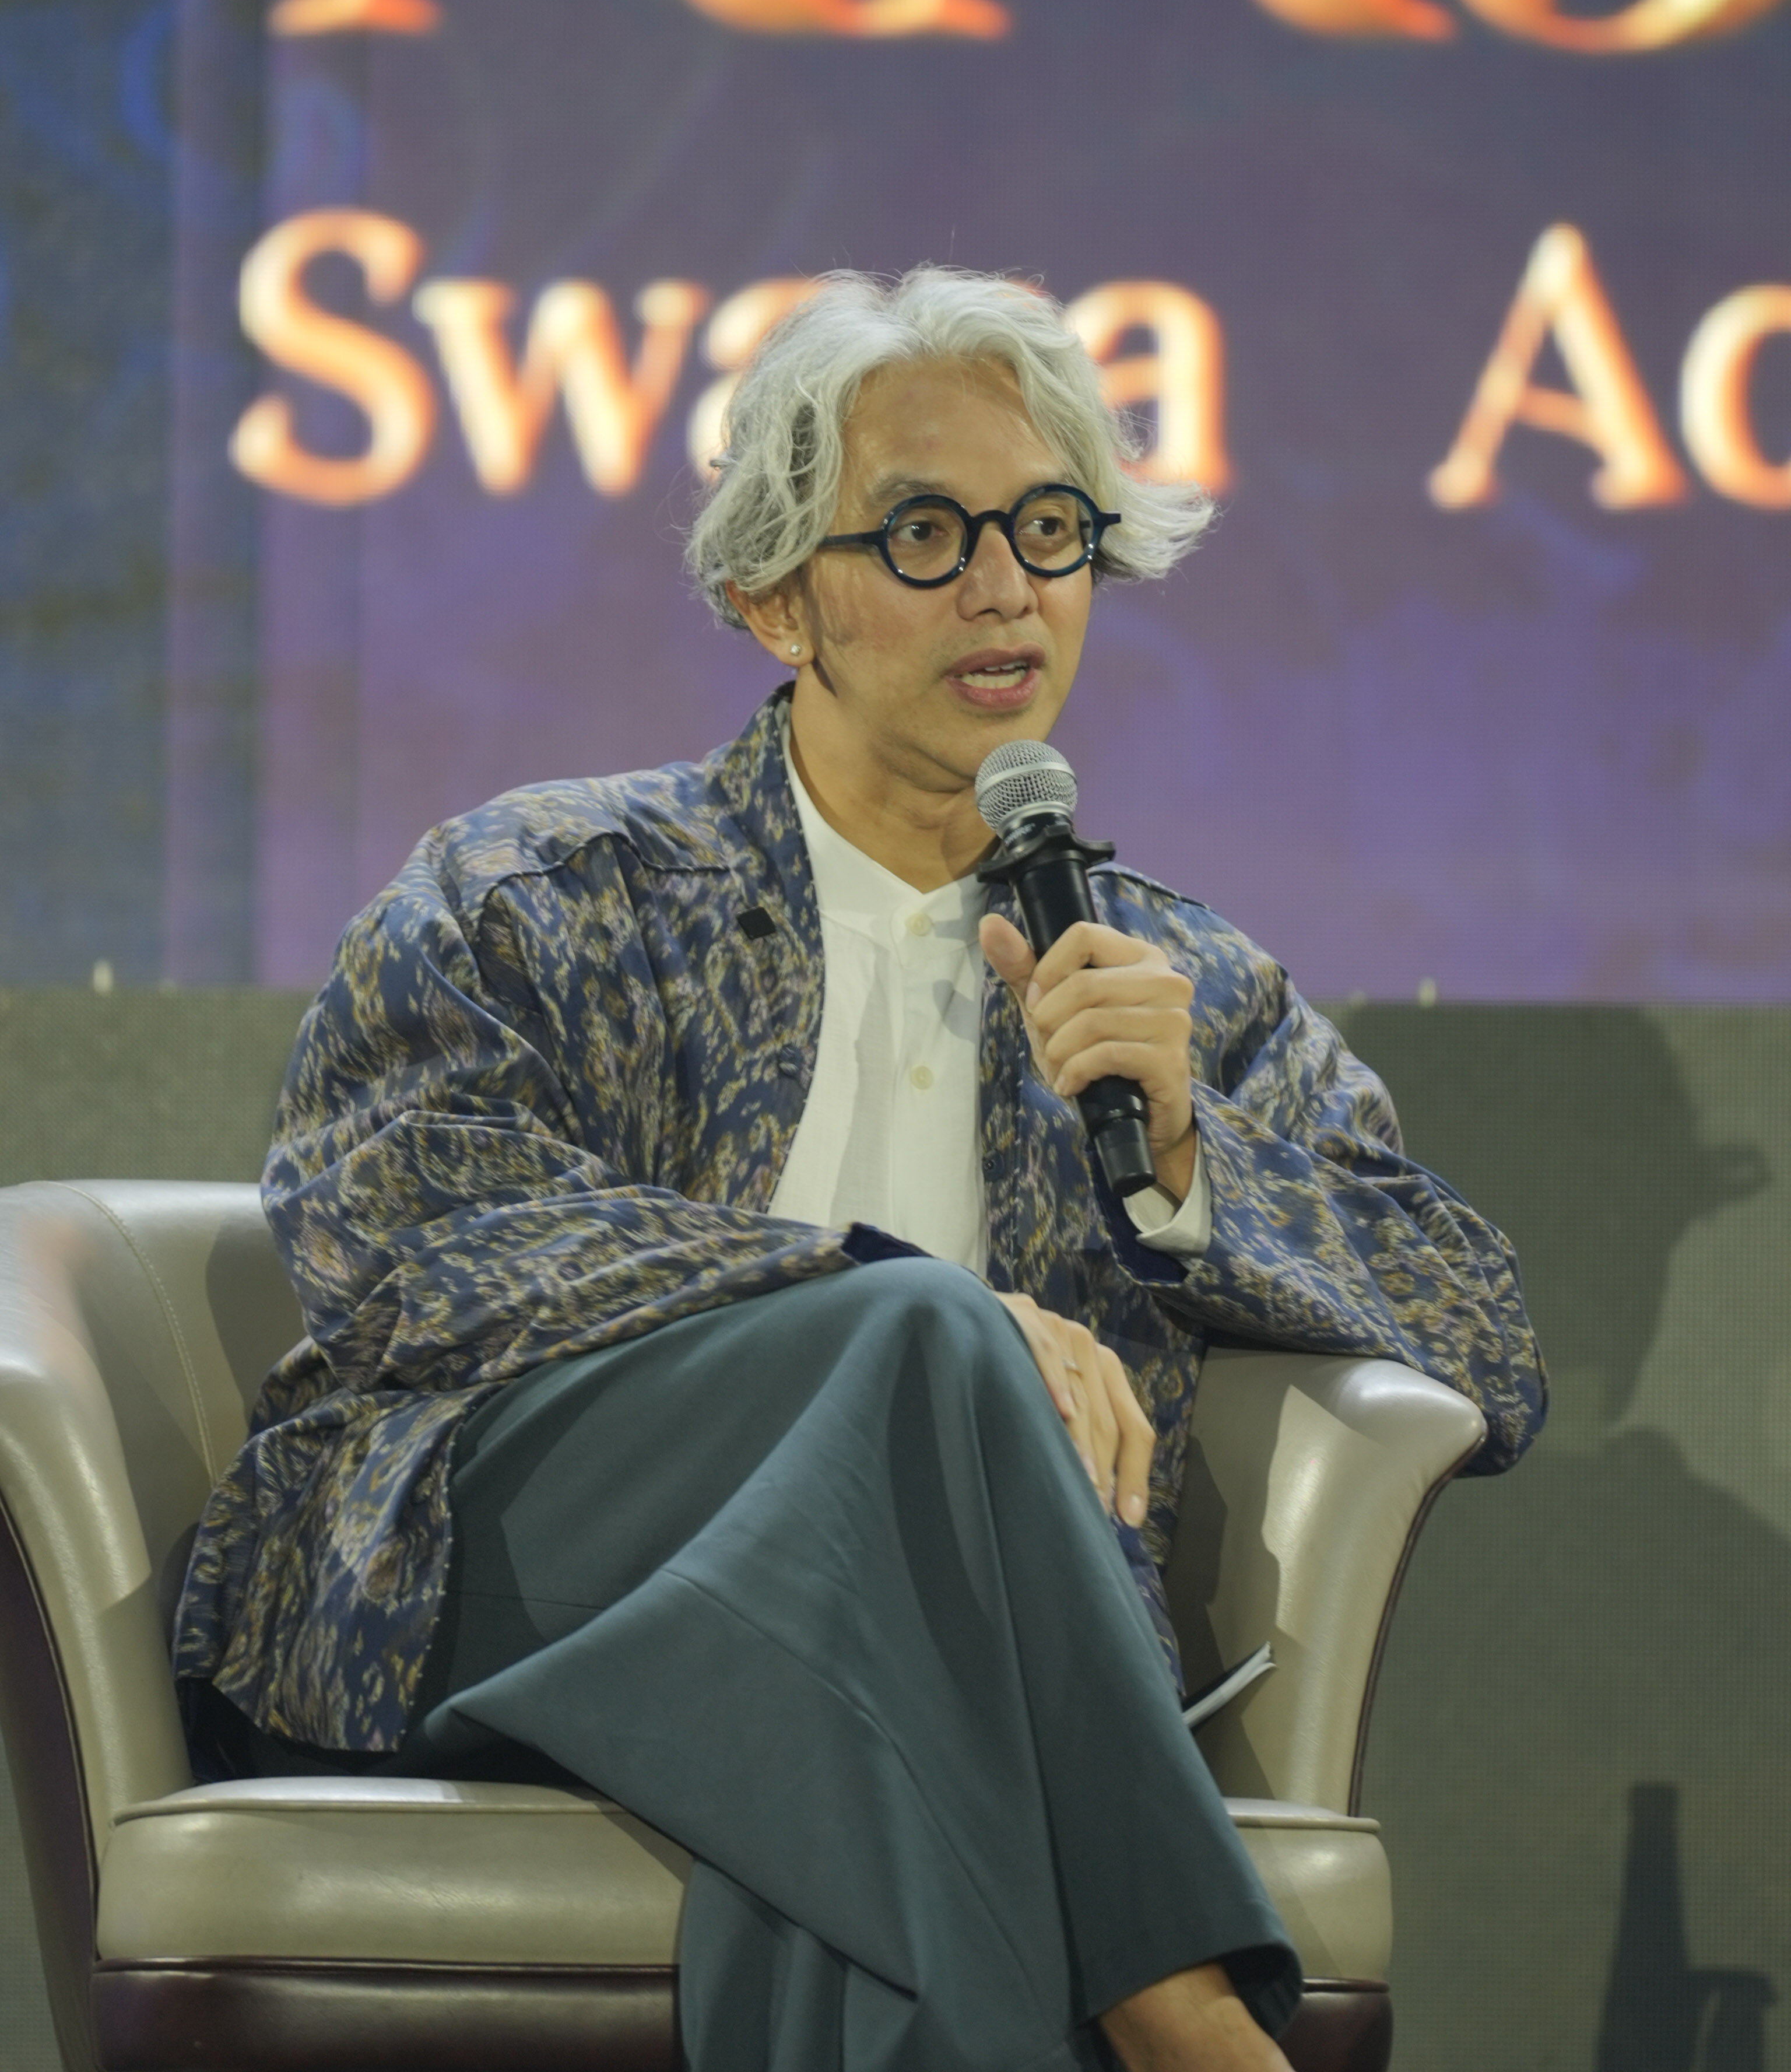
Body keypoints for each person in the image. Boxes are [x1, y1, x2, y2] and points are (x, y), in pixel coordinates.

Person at [175, 267, 1546, 2072]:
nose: (1005, 588)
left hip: (894, 1662)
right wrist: (873, 1285)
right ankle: (1188, 2011)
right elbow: (403, 1237)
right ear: (774, 598)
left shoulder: (1171, 985)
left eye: (1048, 528)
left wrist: (1196, 1162)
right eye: (923, 534)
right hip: (495, 1587)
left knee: (876, 1783)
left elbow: (1483, 1337)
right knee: (924, 1337)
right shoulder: (545, 891)